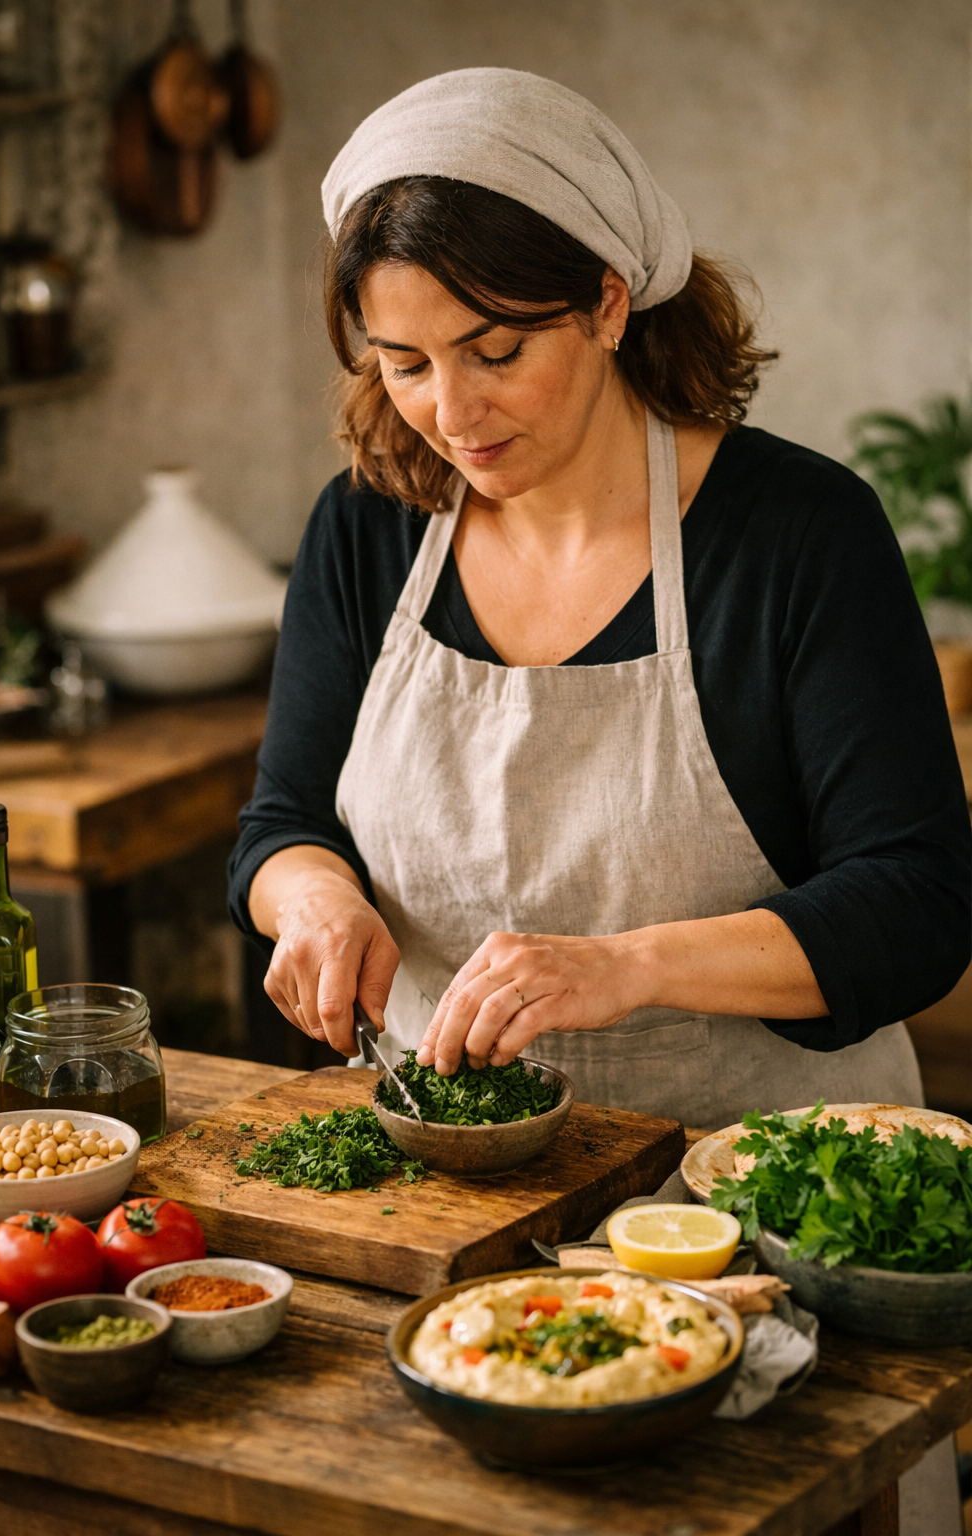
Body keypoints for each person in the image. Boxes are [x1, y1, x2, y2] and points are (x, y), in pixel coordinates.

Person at [230, 73, 969, 1530]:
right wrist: (310, 893)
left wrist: (620, 966)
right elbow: (282, 820)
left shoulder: (798, 535)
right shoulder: (369, 531)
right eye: (404, 362)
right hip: (443, 1222)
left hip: (763, 1228)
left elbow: (918, 902)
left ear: (612, 302)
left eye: (496, 349)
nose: (452, 409)